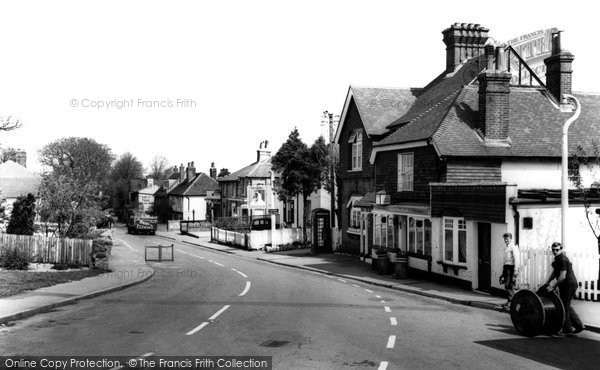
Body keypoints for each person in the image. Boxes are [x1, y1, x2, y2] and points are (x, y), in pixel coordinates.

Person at [544, 242, 585, 336]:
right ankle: (579, 325)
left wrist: (553, 286)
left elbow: (562, 276)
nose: (555, 251)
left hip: (569, 284)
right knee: (565, 304)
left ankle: (568, 330)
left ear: (561, 249)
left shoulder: (563, 259)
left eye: (557, 249)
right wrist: (547, 282)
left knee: (564, 306)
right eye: (553, 250)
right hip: (565, 284)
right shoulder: (557, 259)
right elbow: (555, 272)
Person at [499, 233, 520, 310]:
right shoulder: (506, 247)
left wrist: (515, 270)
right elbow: (505, 260)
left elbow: (517, 259)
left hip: (511, 268)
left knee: (508, 285)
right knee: (508, 285)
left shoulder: (513, 247)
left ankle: (511, 303)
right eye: (505, 239)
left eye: (507, 238)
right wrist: (503, 272)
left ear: (511, 239)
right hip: (506, 267)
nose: (506, 240)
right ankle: (510, 302)